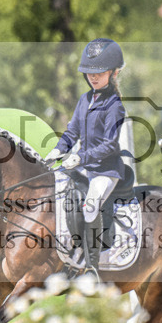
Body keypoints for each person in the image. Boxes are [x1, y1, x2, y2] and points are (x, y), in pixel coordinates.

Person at [45, 38, 127, 278]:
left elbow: (110, 145)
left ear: (113, 73)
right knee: (58, 194)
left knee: (90, 207)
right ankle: (68, 253)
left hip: (105, 171)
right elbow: (72, 132)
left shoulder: (115, 106)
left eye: (99, 73)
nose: (93, 77)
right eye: (90, 72)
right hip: (83, 167)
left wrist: (80, 157)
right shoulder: (84, 99)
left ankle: (91, 267)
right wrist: (59, 150)